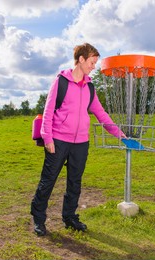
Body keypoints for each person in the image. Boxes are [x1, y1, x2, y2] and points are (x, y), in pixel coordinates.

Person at [30, 43, 125, 236]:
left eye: (95, 62)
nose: (93, 66)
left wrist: (120, 135)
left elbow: (101, 114)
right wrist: (47, 138)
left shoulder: (90, 87)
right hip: (58, 140)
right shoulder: (61, 82)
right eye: (92, 62)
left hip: (81, 142)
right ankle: (39, 219)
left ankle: (70, 217)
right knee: (48, 181)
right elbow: (48, 111)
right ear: (81, 59)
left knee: (75, 182)